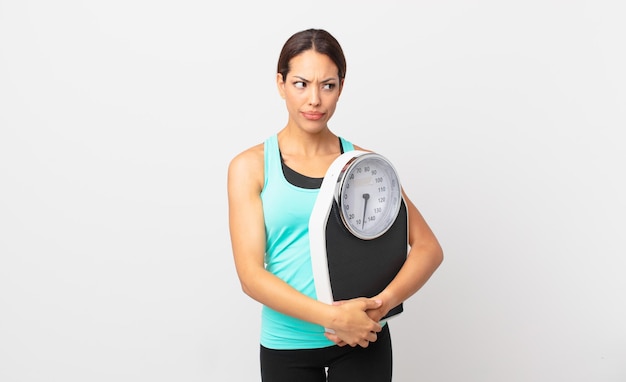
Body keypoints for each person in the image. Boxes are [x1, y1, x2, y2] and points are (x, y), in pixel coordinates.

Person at [227, 28, 443, 382]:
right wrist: (332, 318)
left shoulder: (364, 165)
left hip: (362, 340)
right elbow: (251, 277)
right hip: (287, 345)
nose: (314, 99)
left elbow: (428, 248)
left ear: (341, 87)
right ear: (280, 84)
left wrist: (378, 308)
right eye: (301, 83)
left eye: (327, 85)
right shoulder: (250, 166)